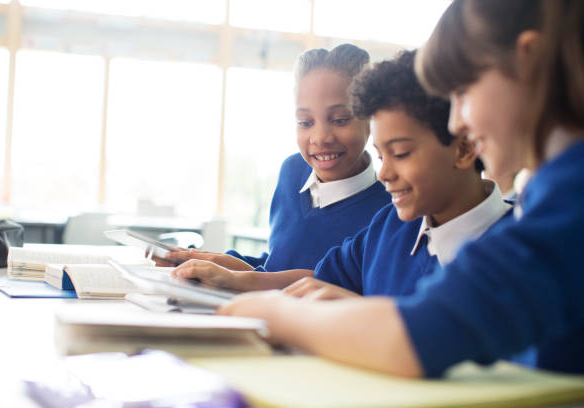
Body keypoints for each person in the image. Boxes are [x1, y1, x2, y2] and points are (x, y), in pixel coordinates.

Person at [217, 0, 584, 378]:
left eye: (463, 91)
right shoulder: (547, 195)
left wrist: (275, 314)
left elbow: (417, 337)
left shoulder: (571, 198)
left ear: (528, 60)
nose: (457, 120)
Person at [175, 50, 512, 298]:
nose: (384, 174)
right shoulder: (389, 226)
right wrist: (231, 279)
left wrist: (359, 310)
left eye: (401, 154)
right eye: (381, 155)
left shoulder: (518, 245)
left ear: (465, 148)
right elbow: (313, 279)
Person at [159, 44, 390, 285]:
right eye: (305, 122)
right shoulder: (293, 173)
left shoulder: (388, 210)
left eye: (340, 119)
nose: (321, 137)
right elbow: (276, 267)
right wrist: (203, 261)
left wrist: (235, 279)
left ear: (370, 118)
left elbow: (328, 285)